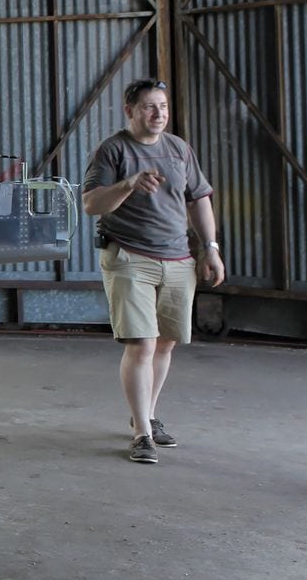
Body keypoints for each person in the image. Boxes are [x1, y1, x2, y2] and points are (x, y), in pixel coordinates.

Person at [82, 78, 225, 463]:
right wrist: (129, 184)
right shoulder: (113, 150)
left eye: (162, 106)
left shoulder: (178, 149)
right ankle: (142, 435)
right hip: (129, 257)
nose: (158, 113)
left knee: (165, 343)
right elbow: (92, 204)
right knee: (141, 343)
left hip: (178, 258)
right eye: (149, 106)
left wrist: (210, 248)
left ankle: (146, 414)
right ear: (130, 110)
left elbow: (199, 199)